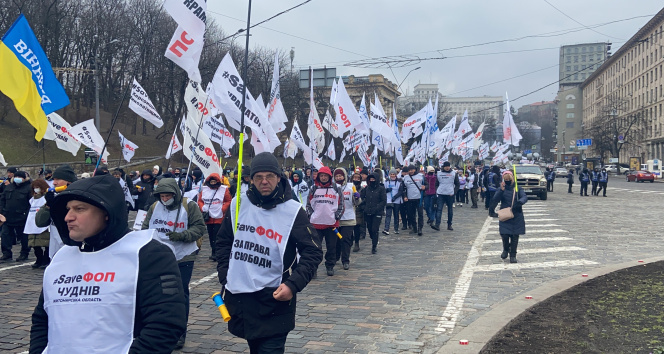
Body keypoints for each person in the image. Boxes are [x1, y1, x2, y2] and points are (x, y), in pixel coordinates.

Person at [29, 175, 187, 353]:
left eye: (79, 209)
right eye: (67, 209)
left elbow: (166, 324)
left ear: (106, 212)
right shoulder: (61, 256)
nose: (68, 217)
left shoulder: (148, 253)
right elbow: (42, 318)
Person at [215, 152, 322, 353]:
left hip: (275, 298)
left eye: (270, 176)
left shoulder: (293, 210)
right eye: (259, 177)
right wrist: (225, 274)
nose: (264, 182)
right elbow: (223, 242)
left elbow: (313, 252)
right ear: (251, 179)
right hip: (241, 297)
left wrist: (293, 285)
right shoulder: (239, 204)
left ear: (279, 177)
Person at [142, 178, 206, 349]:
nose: (165, 199)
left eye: (168, 196)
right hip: (160, 256)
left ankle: (180, 332)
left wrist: (182, 235)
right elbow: (145, 228)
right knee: (159, 293)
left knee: (180, 293)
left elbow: (199, 228)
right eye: (162, 196)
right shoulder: (154, 207)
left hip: (183, 255)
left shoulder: (189, 206)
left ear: (175, 194)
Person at [306, 166, 344, 276]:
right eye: (321, 176)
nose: (323, 178)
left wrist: (336, 216)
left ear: (329, 177)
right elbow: (308, 204)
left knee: (331, 247)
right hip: (316, 224)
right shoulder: (314, 188)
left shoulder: (336, 188)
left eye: (325, 176)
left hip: (331, 224)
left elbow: (341, 204)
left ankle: (330, 265)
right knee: (315, 248)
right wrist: (311, 215)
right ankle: (314, 268)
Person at [35, 165, 78, 259]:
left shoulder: (78, 197)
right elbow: (40, 222)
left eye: (58, 179)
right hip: (55, 247)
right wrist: (48, 206)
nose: (54, 183)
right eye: (54, 179)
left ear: (68, 181)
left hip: (72, 246)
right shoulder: (54, 196)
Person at [488, 171, 528, 263]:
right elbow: (495, 200)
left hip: (516, 214)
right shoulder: (501, 189)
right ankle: (506, 249)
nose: (507, 181)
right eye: (506, 180)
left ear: (512, 179)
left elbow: (524, 197)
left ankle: (513, 255)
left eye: (509, 179)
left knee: (515, 236)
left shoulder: (518, 188)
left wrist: (520, 202)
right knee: (505, 234)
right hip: (505, 214)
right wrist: (501, 191)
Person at [197, 173, 231, 262]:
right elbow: (200, 201)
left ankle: (218, 252)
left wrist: (222, 209)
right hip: (209, 217)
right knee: (211, 236)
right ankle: (213, 252)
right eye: (211, 181)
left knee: (218, 235)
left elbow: (228, 201)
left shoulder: (224, 190)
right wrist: (202, 208)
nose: (212, 183)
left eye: (214, 181)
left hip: (219, 217)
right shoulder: (204, 190)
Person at [0, 170, 32, 262]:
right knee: (5, 235)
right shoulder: (9, 187)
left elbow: (31, 203)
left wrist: (27, 214)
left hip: (22, 217)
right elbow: (3, 200)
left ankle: (24, 253)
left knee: (23, 237)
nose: (18, 179)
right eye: (16, 177)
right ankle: (6, 253)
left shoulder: (28, 188)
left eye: (20, 177)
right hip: (7, 216)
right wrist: (1, 212)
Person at [334, 168, 359, 269]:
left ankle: (345, 260)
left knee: (346, 240)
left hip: (348, 219)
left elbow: (356, 202)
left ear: (344, 176)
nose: (339, 177)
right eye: (337, 176)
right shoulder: (332, 187)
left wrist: (357, 197)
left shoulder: (351, 186)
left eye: (340, 176)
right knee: (336, 240)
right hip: (335, 220)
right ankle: (335, 257)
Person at [25, 179, 51, 269]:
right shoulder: (32, 199)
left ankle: (46, 259)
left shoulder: (47, 197)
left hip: (44, 224)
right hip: (32, 223)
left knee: (46, 243)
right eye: (34, 188)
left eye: (38, 187)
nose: (36, 189)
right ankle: (39, 259)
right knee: (34, 244)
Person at [361, 173, 386, 254]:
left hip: (377, 212)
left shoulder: (381, 189)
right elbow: (362, 199)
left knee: (375, 229)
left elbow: (383, 201)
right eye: (370, 179)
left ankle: (374, 246)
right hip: (368, 212)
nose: (372, 181)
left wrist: (377, 208)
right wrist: (364, 207)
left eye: (373, 179)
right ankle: (373, 238)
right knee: (370, 229)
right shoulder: (366, 189)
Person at [434, 162, 459, 231]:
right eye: (446, 166)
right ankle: (437, 224)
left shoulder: (454, 173)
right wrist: (437, 190)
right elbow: (436, 184)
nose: (447, 168)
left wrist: (454, 192)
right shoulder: (439, 173)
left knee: (450, 210)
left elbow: (457, 184)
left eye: (448, 166)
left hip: (450, 194)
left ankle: (449, 224)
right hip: (441, 194)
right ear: (443, 167)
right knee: (439, 209)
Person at [403, 165, 425, 235]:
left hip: (419, 198)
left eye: (412, 170)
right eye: (409, 170)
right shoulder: (405, 178)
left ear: (415, 169)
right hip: (410, 199)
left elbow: (426, 185)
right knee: (410, 214)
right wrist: (405, 196)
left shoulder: (421, 176)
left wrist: (425, 187)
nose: (410, 171)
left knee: (420, 214)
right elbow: (403, 188)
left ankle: (420, 228)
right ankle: (414, 227)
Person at [383, 168, 404, 235]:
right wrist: (387, 190)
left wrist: (395, 197)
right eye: (391, 174)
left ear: (396, 174)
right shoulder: (386, 182)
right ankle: (386, 229)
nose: (392, 175)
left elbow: (401, 191)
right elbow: (383, 191)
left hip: (396, 201)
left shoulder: (399, 182)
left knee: (396, 215)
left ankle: (396, 228)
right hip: (389, 200)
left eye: (393, 174)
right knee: (388, 215)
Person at [351, 171, 365, 252]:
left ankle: (356, 243)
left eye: (358, 178)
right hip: (349, 209)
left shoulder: (362, 189)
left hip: (358, 210)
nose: (356, 179)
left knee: (356, 227)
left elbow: (364, 198)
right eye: (354, 178)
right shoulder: (349, 187)